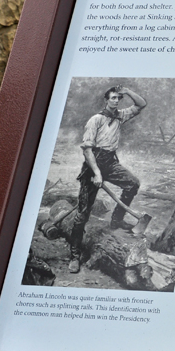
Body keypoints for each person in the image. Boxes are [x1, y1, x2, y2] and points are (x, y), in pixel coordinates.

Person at [67, 85, 146, 272]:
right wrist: (97, 173)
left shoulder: (121, 115)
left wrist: (127, 91)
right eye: (113, 98)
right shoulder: (95, 120)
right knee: (82, 214)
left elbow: (142, 104)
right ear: (106, 100)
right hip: (93, 164)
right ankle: (74, 255)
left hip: (110, 162)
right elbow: (87, 150)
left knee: (133, 184)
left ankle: (116, 220)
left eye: (119, 98)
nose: (116, 101)